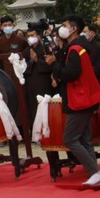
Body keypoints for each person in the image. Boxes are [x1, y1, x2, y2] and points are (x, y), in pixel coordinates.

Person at [56, 24, 100, 188]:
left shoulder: (75, 49)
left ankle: (95, 171)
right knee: (85, 139)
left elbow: (70, 74)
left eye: (65, 25)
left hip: (79, 99)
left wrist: (54, 63)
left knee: (70, 139)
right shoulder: (80, 47)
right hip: (86, 97)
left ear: (73, 28)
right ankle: (94, 175)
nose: (62, 28)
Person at [23, 35, 67, 179]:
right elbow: (23, 67)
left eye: (33, 34)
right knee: (33, 110)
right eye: (29, 35)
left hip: (45, 83)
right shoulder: (26, 50)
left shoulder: (46, 48)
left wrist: (38, 60)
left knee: (51, 114)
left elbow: (52, 64)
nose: (31, 38)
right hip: (31, 83)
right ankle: (39, 136)